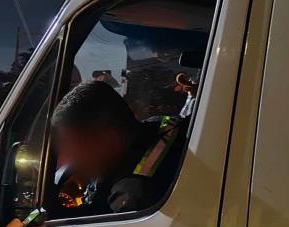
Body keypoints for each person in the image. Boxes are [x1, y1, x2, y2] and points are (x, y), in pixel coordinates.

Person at [51, 80, 187, 215]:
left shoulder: (131, 197)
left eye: (74, 146)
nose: (68, 159)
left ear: (109, 138)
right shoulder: (166, 127)